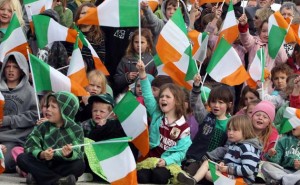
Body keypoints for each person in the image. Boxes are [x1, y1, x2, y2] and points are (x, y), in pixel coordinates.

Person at [136, 60, 191, 184]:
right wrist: (143, 74)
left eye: (167, 97)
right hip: (151, 160)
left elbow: (182, 152)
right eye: (161, 96)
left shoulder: (184, 127)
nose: (163, 99)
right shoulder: (157, 113)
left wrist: (166, 161)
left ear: (177, 101)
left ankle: (180, 178)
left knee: (160, 177)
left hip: (169, 163)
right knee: (141, 177)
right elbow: (148, 95)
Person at [16, 91, 85, 185]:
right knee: (22, 158)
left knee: (79, 165)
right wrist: (41, 154)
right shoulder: (43, 126)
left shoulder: (76, 129)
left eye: (53, 107)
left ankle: (38, 178)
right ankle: (59, 181)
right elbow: (30, 144)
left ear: (65, 110)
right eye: (48, 106)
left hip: (61, 164)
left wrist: (69, 154)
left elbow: (79, 152)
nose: (48, 109)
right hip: (43, 163)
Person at [177, 115, 262, 185]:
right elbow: (230, 161)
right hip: (232, 176)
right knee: (207, 163)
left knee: (209, 174)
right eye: (229, 129)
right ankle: (193, 180)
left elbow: (248, 170)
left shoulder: (248, 147)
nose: (230, 132)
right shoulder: (233, 145)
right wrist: (223, 163)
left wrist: (227, 169)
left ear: (245, 131)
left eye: (235, 130)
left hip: (242, 181)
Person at [183, 74, 234, 177]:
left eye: (221, 102)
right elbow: (195, 104)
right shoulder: (205, 117)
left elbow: (227, 147)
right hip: (195, 158)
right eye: (213, 101)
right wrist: (196, 86)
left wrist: (210, 156)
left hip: (213, 162)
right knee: (188, 173)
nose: (216, 105)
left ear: (229, 104)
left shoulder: (232, 123)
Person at [0, 52, 38, 173]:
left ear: (22, 70)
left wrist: (8, 120)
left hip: (14, 139)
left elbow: (34, 115)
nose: (11, 70)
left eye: (15, 67)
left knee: (2, 162)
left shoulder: (30, 92)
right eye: (8, 66)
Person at [114, 28, 157, 95]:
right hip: (129, 95)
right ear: (132, 43)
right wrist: (127, 77)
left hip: (146, 95)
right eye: (136, 42)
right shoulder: (126, 59)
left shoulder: (152, 61)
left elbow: (156, 81)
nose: (139, 45)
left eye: (142, 42)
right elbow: (117, 80)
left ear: (148, 44)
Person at [73, 3, 106, 71]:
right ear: (78, 15)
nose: (86, 16)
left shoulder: (99, 37)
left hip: (89, 75)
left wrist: (85, 63)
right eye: (83, 13)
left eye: (89, 13)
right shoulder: (71, 32)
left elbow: (100, 60)